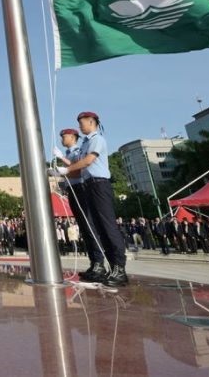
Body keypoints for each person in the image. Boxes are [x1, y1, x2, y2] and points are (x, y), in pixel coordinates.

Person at [56, 112, 127, 287]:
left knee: (107, 226)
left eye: (82, 123)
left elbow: (87, 161)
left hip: (99, 184)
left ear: (91, 122)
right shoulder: (87, 142)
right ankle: (107, 267)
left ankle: (119, 268)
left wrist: (66, 169)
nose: (81, 126)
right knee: (99, 228)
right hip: (89, 185)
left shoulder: (97, 139)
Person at [53, 127, 107, 283]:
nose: (63, 139)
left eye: (65, 136)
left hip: (81, 188)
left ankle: (99, 263)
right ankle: (94, 263)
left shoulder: (78, 151)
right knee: (84, 227)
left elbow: (77, 169)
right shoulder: (71, 153)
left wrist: (62, 162)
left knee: (89, 226)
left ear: (73, 137)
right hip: (72, 189)